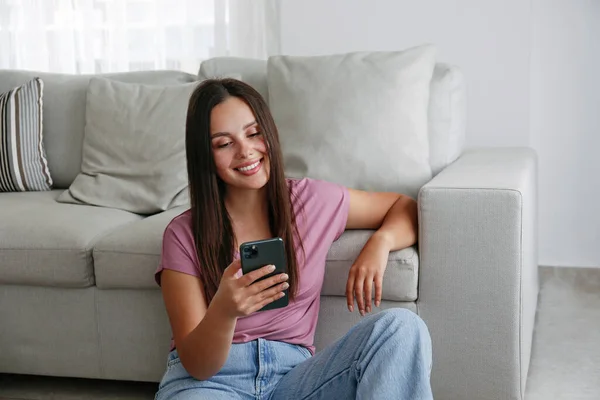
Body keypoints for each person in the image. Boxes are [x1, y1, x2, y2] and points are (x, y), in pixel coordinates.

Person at [154, 78, 433, 400]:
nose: (246, 151)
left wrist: (380, 243)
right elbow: (199, 366)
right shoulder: (182, 234)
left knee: (401, 328)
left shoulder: (311, 201)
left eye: (254, 133)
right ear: (205, 155)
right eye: (223, 143)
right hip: (210, 385)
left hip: (296, 379)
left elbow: (405, 207)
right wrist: (224, 311)